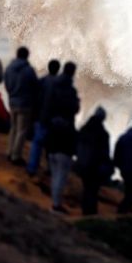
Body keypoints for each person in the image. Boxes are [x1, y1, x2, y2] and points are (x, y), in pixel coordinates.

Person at [43, 62, 80, 214]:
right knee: (60, 173)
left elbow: (46, 104)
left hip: (51, 130)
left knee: (54, 169)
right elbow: (75, 108)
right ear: (72, 73)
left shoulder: (51, 85)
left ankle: (55, 202)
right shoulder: (69, 90)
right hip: (63, 134)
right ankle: (56, 205)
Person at [4, 46, 38, 166]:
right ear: (27, 56)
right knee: (21, 130)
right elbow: (35, 87)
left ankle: (9, 152)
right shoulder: (29, 70)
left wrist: (12, 94)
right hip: (25, 104)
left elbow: (6, 84)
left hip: (12, 101)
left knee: (13, 128)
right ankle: (16, 156)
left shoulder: (9, 68)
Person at [27, 59, 61, 176]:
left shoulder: (42, 81)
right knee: (50, 147)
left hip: (40, 118)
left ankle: (32, 168)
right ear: (58, 70)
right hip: (52, 121)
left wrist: (34, 116)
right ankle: (49, 169)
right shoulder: (59, 85)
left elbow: (35, 99)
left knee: (37, 145)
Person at [75, 107, 111, 216]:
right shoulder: (103, 133)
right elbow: (104, 153)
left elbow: (77, 145)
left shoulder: (84, 129)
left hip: (82, 164)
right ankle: (91, 212)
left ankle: (85, 210)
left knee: (86, 188)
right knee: (93, 189)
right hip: (95, 166)